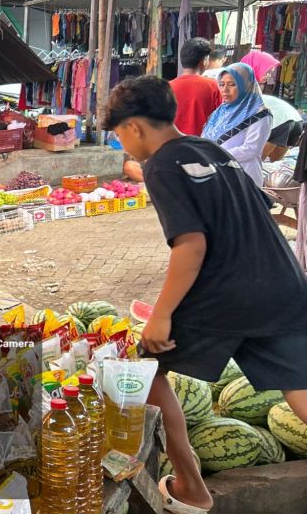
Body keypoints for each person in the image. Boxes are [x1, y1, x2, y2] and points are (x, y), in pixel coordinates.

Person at [104, 75, 307, 514]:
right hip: (283, 283)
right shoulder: (211, 149)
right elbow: (256, 210)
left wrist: (161, 315)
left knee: (145, 370)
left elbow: (191, 244)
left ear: (134, 127)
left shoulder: (161, 164)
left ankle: (191, 487)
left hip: (230, 292)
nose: (123, 145)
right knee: (299, 385)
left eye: (119, 134)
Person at [202, 63, 272, 187]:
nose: (225, 90)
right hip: (217, 175)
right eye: (222, 84)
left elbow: (251, 149)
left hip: (243, 178)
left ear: (246, 85)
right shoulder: (219, 112)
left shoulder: (260, 114)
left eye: (232, 84)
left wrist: (216, 155)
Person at [169, 38, 221, 136]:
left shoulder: (167, 88)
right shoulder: (214, 86)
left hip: (172, 142)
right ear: (204, 61)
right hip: (203, 143)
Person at [261, 94, 304, 162]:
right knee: (275, 161)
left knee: (257, 159)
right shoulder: (260, 97)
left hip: (281, 120)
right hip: (297, 120)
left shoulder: (248, 99)